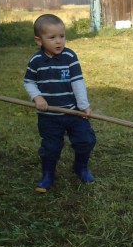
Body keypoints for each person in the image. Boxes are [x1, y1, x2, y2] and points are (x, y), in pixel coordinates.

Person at [23, 14, 97, 193]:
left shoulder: (70, 56)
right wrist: (37, 97)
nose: (59, 42)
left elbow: (78, 82)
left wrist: (83, 105)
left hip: (73, 112)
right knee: (51, 147)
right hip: (49, 116)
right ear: (38, 40)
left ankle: (80, 167)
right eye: (52, 37)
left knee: (85, 140)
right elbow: (29, 82)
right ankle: (48, 175)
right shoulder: (36, 61)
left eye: (62, 36)